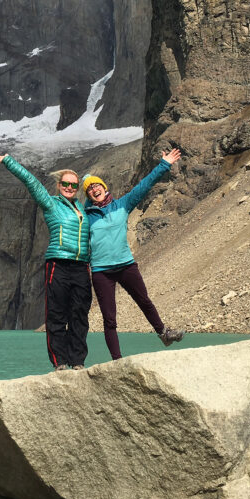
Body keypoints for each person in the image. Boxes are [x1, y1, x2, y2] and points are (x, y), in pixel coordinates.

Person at [83, 148, 184, 360]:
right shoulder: (86, 216)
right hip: (102, 271)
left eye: (97, 185)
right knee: (109, 318)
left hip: (126, 265)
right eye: (89, 189)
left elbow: (144, 186)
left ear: (104, 187)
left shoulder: (123, 205)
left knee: (144, 301)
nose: (94, 189)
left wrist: (164, 164)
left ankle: (164, 333)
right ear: (88, 196)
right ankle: (117, 360)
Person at [0, 153, 90, 371]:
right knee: (56, 313)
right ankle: (60, 362)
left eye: (73, 185)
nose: (69, 187)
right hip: (58, 264)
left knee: (80, 315)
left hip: (81, 266)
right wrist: (9, 161)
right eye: (65, 183)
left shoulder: (84, 209)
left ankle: (78, 361)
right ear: (58, 185)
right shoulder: (51, 204)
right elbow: (32, 182)